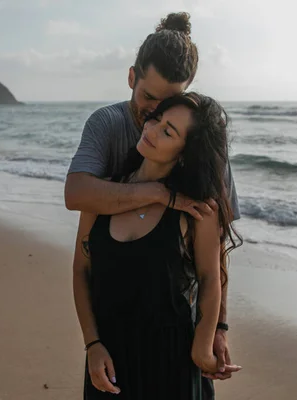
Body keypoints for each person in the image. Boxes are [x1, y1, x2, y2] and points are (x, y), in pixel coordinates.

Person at [64, 11, 242, 392]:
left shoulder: (200, 146)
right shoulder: (107, 126)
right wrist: (161, 193)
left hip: (171, 347)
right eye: (148, 98)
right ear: (131, 77)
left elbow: (215, 257)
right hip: (113, 347)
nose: (153, 114)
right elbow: (76, 195)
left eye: (168, 105)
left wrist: (216, 330)